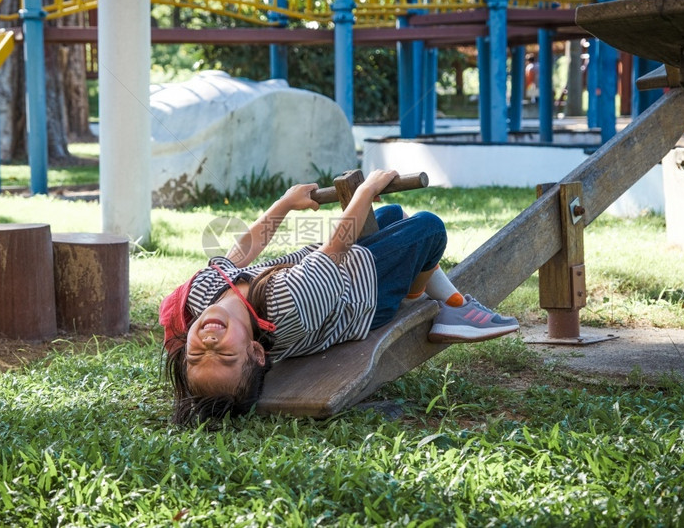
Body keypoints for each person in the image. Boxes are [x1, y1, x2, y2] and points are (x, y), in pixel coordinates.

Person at [160, 169, 518, 425]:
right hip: (365, 295)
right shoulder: (288, 306)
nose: (208, 340)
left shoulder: (200, 296)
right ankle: (428, 301)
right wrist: (366, 189)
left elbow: (240, 253)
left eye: (196, 353)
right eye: (223, 352)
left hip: (336, 271)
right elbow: (336, 246)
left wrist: (284, 203)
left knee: (390, 215)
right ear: (255, 351)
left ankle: (433, 288)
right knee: (428, 228)